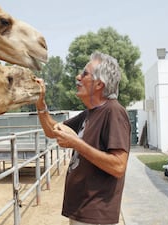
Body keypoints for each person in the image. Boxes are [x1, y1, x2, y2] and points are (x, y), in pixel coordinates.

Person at [35, 51, 131, 225]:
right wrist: (41, 103)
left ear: (100, 84)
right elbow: (53, 131)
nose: (78, 77)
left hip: (96, 216)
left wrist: (77, 144)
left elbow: (118, 166)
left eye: (85, 74)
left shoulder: (114, 111)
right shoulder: (89, 114)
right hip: (82, 212)